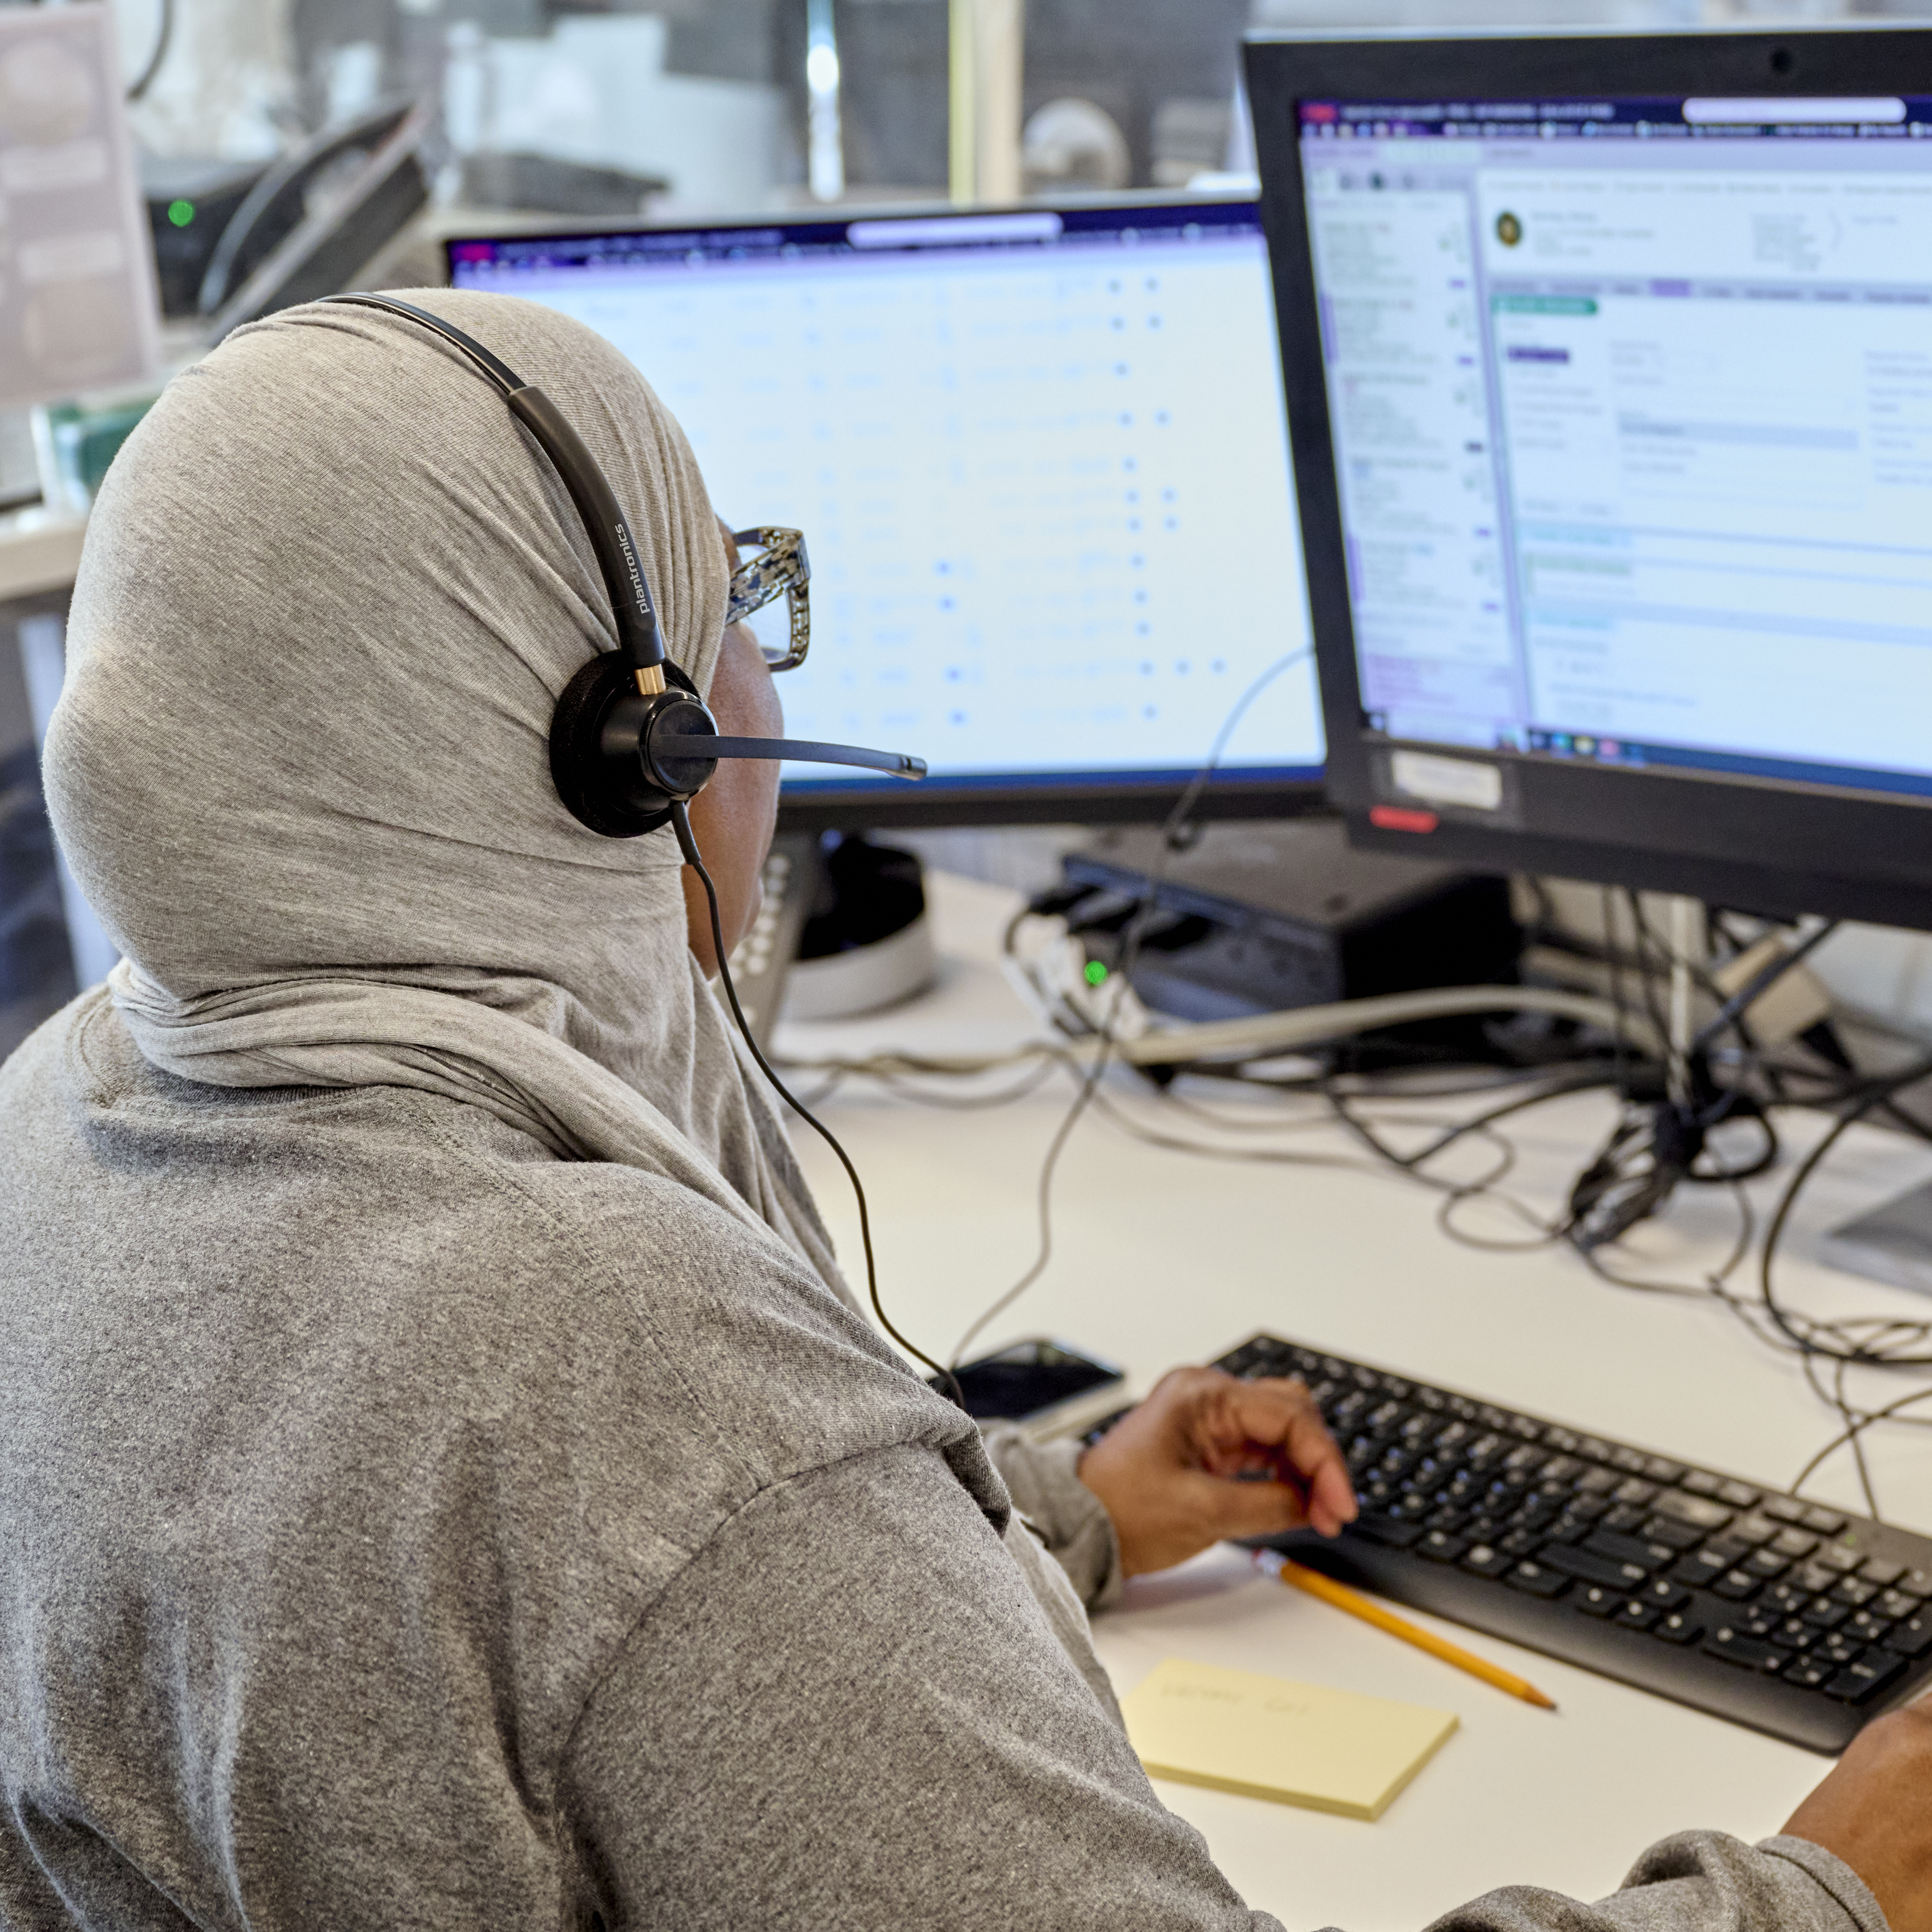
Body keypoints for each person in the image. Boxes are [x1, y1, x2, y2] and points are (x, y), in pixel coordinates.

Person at [0, 289, 1923, 1932]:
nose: (758, 684)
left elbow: (536, 1659)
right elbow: (639, 1517)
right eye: (725, 608)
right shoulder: (619, 1386)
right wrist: (1819, 1889)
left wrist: (1033, 1519)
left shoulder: (57, 1124)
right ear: (620, 758)